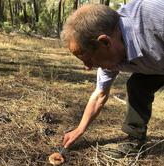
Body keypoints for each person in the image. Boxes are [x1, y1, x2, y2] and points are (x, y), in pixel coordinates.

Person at [60, 0, 164, 155]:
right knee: (138, 85)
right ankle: (135, 141)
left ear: (105, 42)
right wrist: (80, 129)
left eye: (87, 59)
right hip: (157, 65)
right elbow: (100, 95)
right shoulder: (111, 54)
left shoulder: (155, 16)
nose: (88, 67)